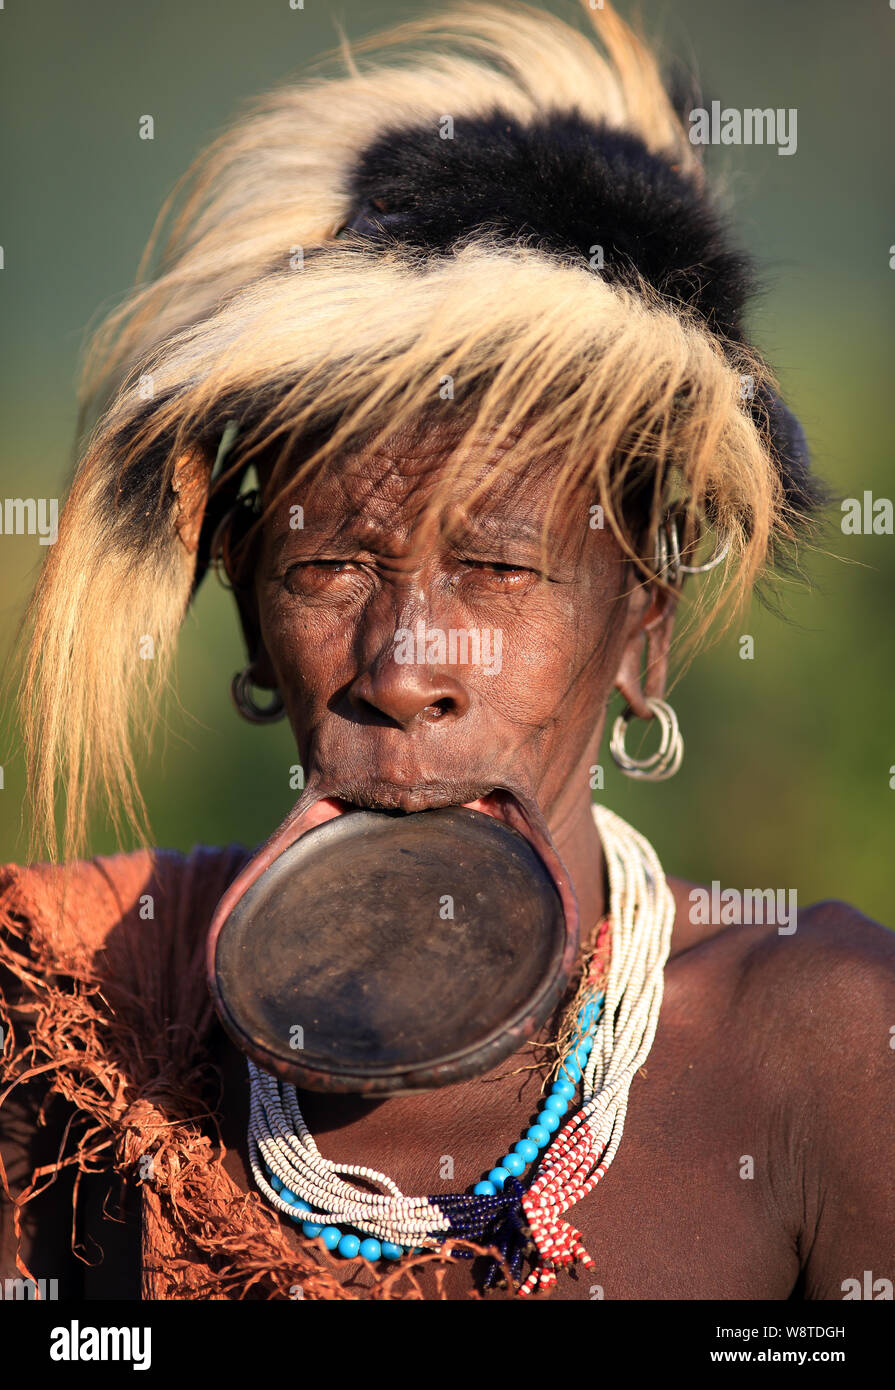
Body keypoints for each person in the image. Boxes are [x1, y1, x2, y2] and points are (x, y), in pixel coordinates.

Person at [1, 0, 893, 1302]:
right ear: (252, 625)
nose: (406, 661)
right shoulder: (78, 1023)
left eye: (499, 567)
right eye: (331, 568)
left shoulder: (820, 1045)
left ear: (642, 628)